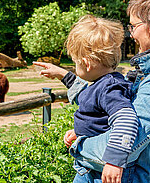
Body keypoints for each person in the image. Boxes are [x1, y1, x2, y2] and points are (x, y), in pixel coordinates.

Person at [35, 0, 150, 183]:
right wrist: (63, 75)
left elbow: (123, 145)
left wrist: (80, 143)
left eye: (134, 26)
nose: (132, 34)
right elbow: (97, 96)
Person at [35, 14, 140, 182]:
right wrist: (82, 132)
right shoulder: (106, 83)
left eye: (76, 63)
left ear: (87, 63)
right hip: (91, 167)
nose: (76, 67)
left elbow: (126, 120)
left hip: (103, 170)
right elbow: (94, 107)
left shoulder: (109, 88)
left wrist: (115, 160)